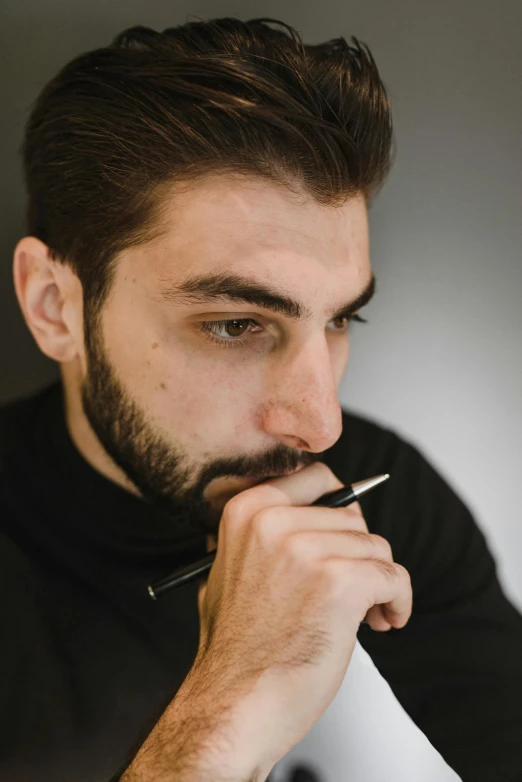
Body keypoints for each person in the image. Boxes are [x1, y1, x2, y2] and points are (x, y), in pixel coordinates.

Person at [2, 15, 521, 782]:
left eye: (341, 318)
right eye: (236, 324)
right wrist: (222, 721)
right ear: (54, 306)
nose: (320, 424)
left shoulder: (379, 491)